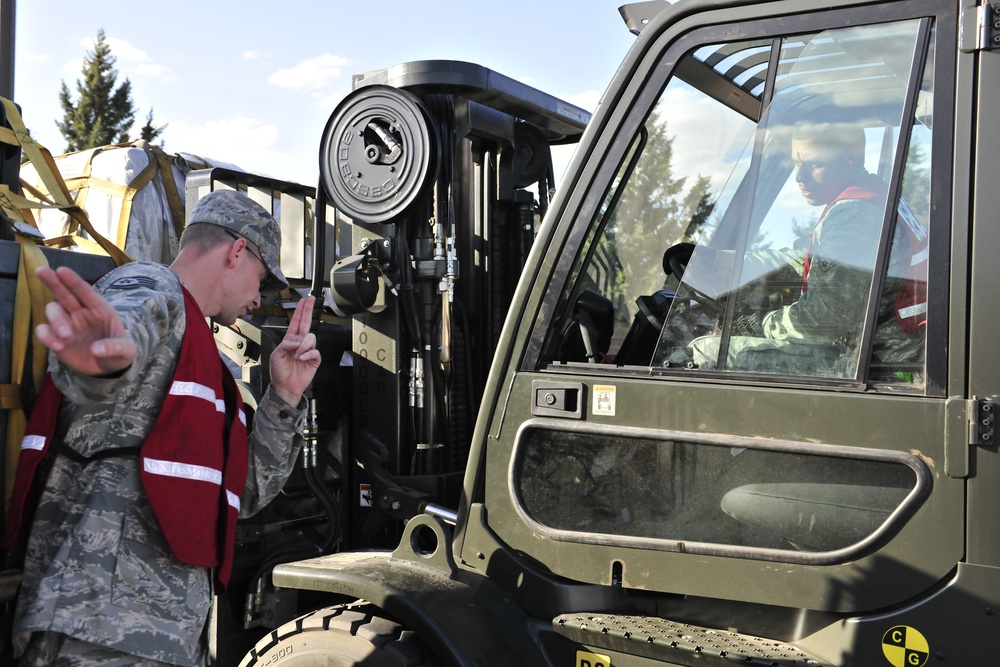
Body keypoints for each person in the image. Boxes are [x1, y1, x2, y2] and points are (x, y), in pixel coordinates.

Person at [6, 189, 321, 666]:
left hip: (157, 636)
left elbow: (243, 493)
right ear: (238, 251)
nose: (260, 298)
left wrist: (285, 397)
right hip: (97, 628)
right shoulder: (153, 287)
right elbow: (123, 332)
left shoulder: (204, 361)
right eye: (262, 279)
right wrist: (103, 354)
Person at [684, 122, 926, 377]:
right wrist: (722, 262)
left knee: (704, 351)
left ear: (851, 160)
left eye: (814, 164)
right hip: (890, 351)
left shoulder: (853, 216)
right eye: (797, 163)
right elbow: (808, 259)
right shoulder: (873, 197)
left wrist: (760, 325)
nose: (800, 176)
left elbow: (822, 322)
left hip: (877, 365)